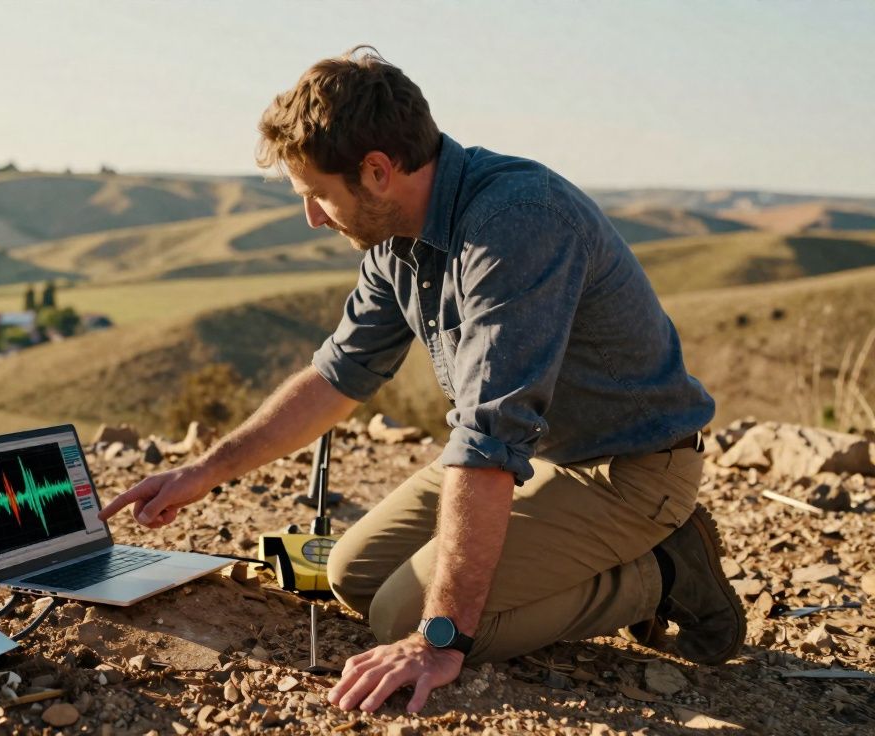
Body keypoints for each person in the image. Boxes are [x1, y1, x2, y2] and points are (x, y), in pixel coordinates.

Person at [98, 46, 744, 714]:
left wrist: (439, 642)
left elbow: (488, 440)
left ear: (377, 171)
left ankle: (664, 570)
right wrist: (199, 473)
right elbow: (336, 377)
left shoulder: (515, 227)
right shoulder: (396, 240)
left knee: (419, 620)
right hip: (540, 455)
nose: (313, 217)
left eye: (318, 194)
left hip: (627, 471)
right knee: (355, 575)